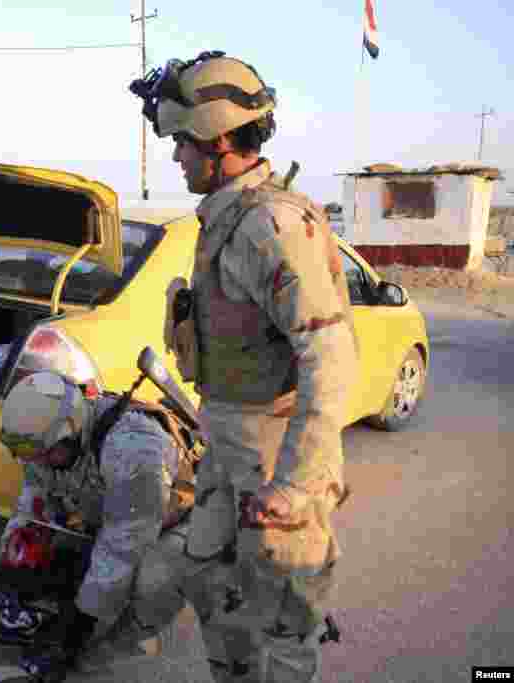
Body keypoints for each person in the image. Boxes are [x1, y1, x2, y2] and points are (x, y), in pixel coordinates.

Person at [132, 51, 358, 681]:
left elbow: (331, 357)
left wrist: (293, 487)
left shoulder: (273, 225)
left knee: (286, 619)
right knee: (217, 595)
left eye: (182, 140)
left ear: (221, 137)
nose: (177, 156)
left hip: (274, 454)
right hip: (230, 447)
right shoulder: (228, 216)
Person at [0, 370, 199, 682]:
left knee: (152, 581)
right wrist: (9, 571)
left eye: (42, 454)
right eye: (29, 454)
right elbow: (31, 510)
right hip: (115, 513)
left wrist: (82, 621)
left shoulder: (134, 451)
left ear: (69, 432)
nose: (35, 461)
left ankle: (108, 653)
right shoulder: (44, 442)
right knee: (49, 563)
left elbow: (123, 546)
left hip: (180, 520)